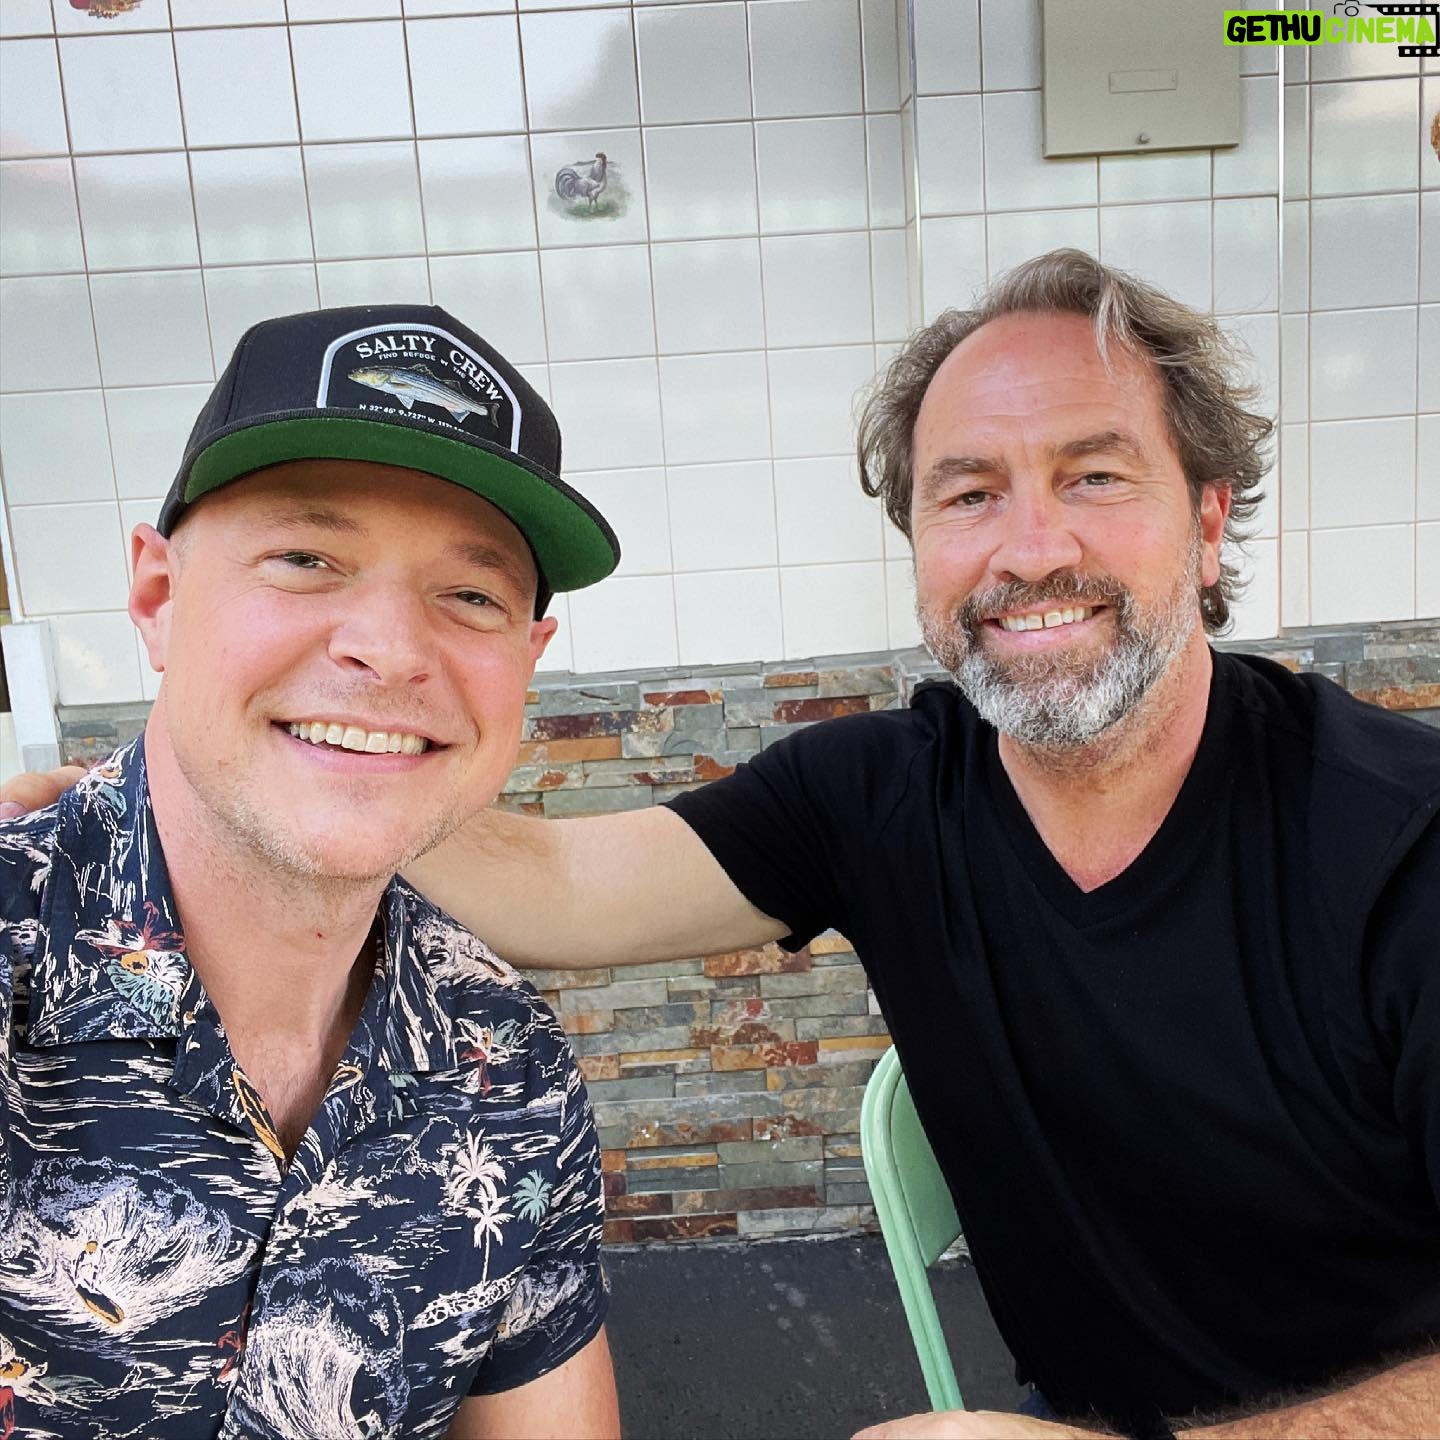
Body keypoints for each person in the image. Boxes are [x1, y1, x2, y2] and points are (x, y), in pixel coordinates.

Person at [9, 252, 1439, 1439]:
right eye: (966, 492)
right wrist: (242, 778)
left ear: (1207, 516)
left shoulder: (1403, 844)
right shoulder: (882, 795)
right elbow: (566, 886)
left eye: (1096, 476)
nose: (1029, 546)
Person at [0, 306, 623, 1440]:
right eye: (304, 559)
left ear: (527, 660)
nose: (389, 648)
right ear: (158, 597)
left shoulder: (509, 1065)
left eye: (472, 595)